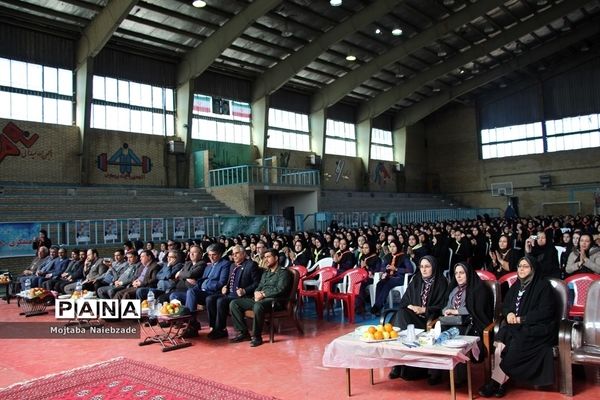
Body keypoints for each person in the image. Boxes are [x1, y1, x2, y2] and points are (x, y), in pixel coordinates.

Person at [479, 256, 557, 398]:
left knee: (515, 342)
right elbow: (506, 304)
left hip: (538, 328)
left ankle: (495, 382)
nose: (521, 269)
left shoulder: (543, 286)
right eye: (520, 266)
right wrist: (508, 313)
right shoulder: (516, 285)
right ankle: (501, 383)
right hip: (517, 327)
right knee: (501, 342)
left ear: (533, 269)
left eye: (525, 266)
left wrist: (522, 319)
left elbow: (546, 312)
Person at [388, 255, 448, 382]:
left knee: (399, 319)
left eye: (427, 266)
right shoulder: (416, 280)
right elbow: (404, 300)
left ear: (434, 267)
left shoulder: (441, 282)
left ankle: (401, 365)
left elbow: (442, 306)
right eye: (421, 267)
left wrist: (424, 310)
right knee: (401, 314)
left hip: (429, 320)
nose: (424, 270)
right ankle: (401, 363)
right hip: (412, 317)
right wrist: (411, 306)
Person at [441, 262, 494, 384]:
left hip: (473, 324)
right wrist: (446, 311)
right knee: (439, 332)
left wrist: (456, 311)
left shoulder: (478, 289)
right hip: (453, 322)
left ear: (468, 274)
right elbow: (446, 306)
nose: (458, 276)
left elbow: (477, 311)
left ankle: (460, 377)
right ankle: (440, 373)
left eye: (461, 273)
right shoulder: (454, 290)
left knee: (456, 336)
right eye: (456, 273)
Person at [229, 248, 292, 347]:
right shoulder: (266, 273)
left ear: (276, 258)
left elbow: (280, 289)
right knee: (235, 303)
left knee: (258, 306)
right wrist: (256, 293)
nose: (265, 259)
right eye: (264, 257)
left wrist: (263, 294)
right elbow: (259, 286)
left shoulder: (283, 272)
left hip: (275, 301)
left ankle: (257, 337)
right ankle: (244, 333)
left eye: (268, 257)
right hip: (260, 300)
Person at [205, 245, 262, 340]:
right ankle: (214, 327)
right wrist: (225, 287)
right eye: (233, 254)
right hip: (229, 293)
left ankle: (221, 329)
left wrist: (245, 290)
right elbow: (229, 280)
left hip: (242, 295)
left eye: (237, 253)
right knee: (209, 299)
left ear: (243, 254)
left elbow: (257, 283)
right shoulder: (232, 265)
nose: (234, 256)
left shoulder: (251, 265)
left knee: (220, 301)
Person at [179, 243, 230, 337]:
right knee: (182, 294)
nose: (211, 257)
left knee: (192, 292)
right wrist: (199, 285)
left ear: (219, 254)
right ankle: (190, 324)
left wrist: (206, 286)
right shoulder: (208, 266)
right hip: (203, 291)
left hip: (213, 292)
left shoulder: (225, 264)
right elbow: (202, 280)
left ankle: (191, 325)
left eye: (214, 254)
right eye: (209, 255)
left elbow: (221, 283)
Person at [370, 240, 414, 316]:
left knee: (388, 283)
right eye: (390, 247)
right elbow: (382, 268)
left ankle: (377, 306)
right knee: (380, 284)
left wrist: (396, 269)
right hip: (389, 277)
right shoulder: (388, 256)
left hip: (400, 278)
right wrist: (385, 270)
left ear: (398, 247)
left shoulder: (404, 256)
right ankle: (378, 307)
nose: (392, 249)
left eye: (394, 246)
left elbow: (410, 270)